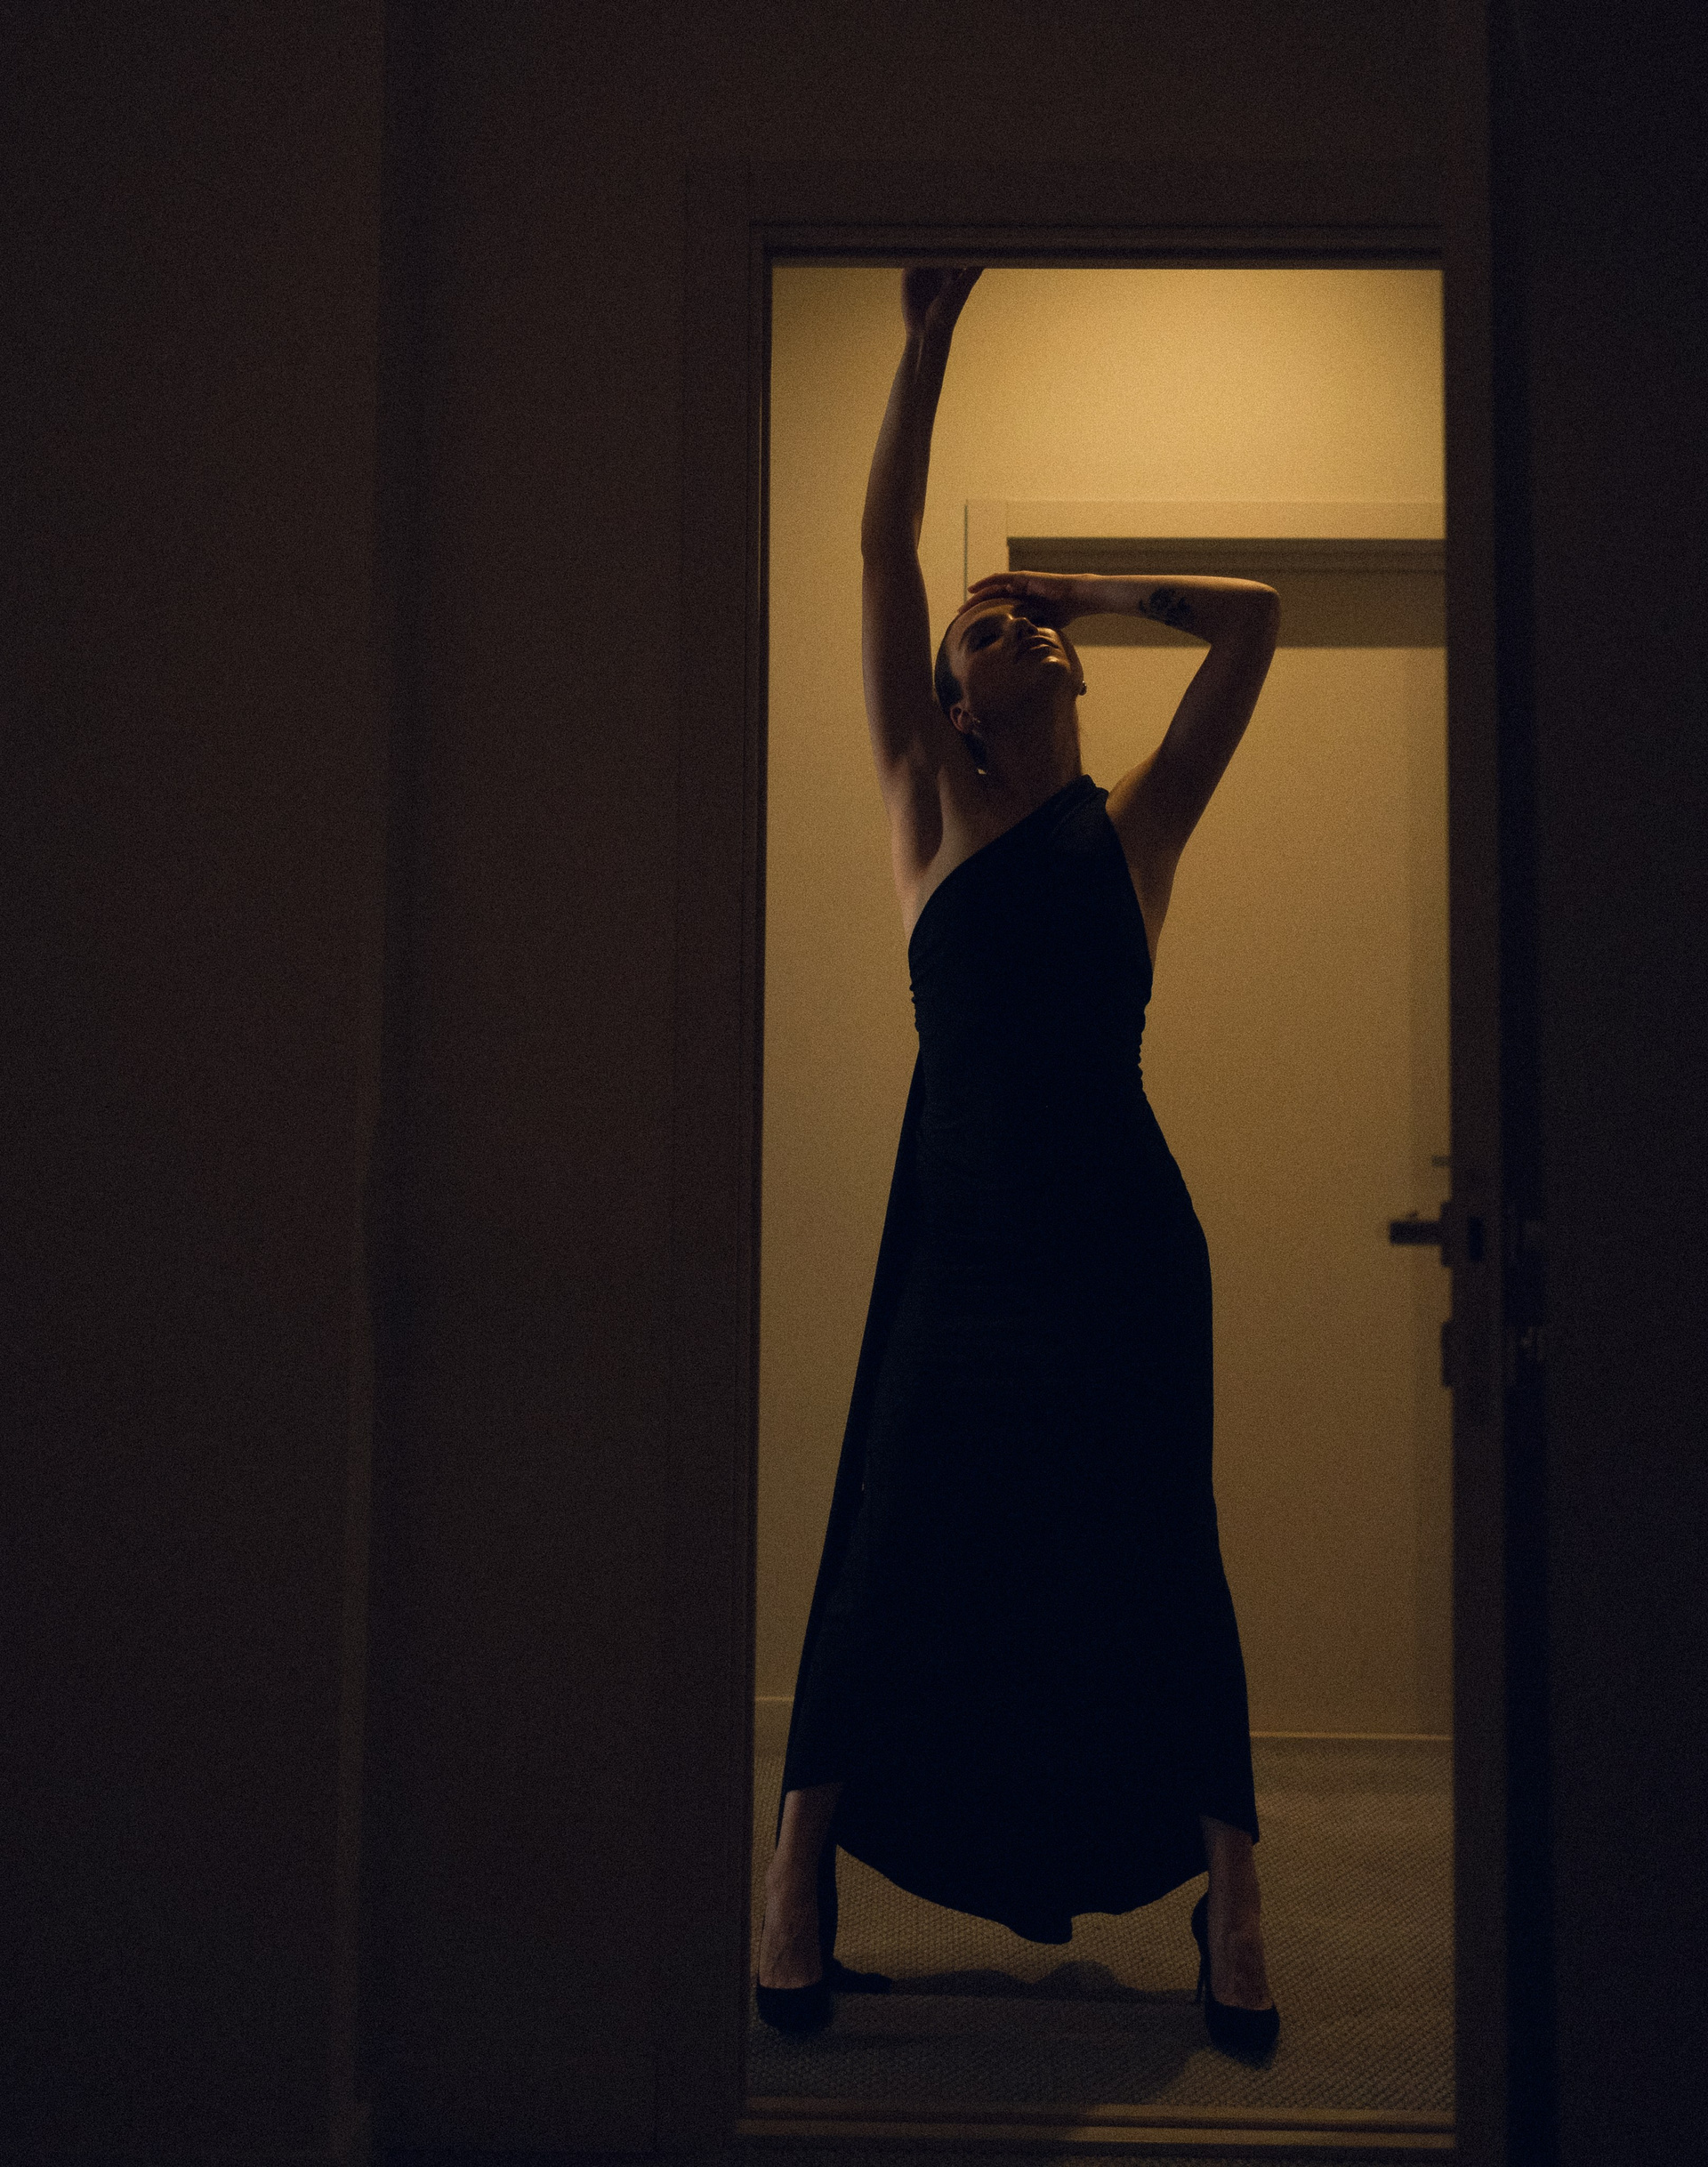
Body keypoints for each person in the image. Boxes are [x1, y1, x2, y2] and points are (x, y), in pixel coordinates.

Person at [756, 266, 1283, 2056]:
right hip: (961, 1235)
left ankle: (1237, 1916)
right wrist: (925, 342)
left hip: (1126, 1236)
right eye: (988, 636)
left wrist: (1085, 590)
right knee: (890, 1536)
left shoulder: (1137, 830)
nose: (1017, 637)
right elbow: (880, 551)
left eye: (1028, 631)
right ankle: (792, 1899)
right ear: (955, 711)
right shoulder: (931, 812)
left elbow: (1254, 623)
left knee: (1162, 1546)